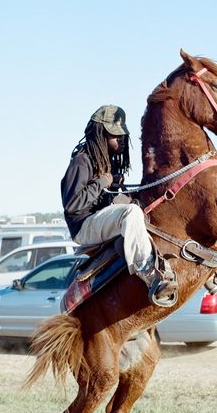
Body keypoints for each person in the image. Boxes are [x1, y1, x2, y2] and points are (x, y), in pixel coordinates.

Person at [61, 105, 178, 307]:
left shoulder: (107, 164)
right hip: (84, 227)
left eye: (122, 135)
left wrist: (117, 186)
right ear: (100, 136)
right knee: (131, 212)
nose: (121, 139)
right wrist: (103, 183)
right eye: (115, 136)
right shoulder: (82, 162)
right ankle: (148, 273)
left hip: (100, 220)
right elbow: (72, 205)